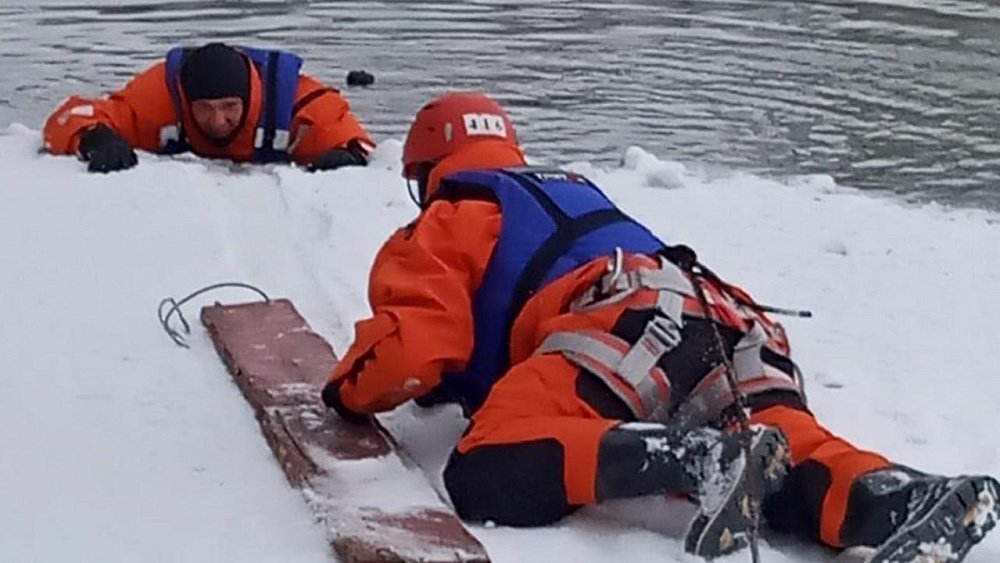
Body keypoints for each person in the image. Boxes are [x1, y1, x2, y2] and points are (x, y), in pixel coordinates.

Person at [321, 92, 999, 561]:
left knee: (486, 466)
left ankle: (699, 457)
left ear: (423, 174)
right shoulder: (574, 190)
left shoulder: (448, 218)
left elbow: (412, 353)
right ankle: (900, 496)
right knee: (788, 449)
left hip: (620, 322)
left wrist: (344, 394)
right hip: (724, 313)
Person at [43, 42, 374, 173]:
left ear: (248, 98)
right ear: (187, 101)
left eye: (229, 106)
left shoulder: (293, 99)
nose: (218, 120)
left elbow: (351, 136)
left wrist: (347, 154)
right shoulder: (158, 98)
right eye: (205, 108)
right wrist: (95, 138)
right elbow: (70, 115)